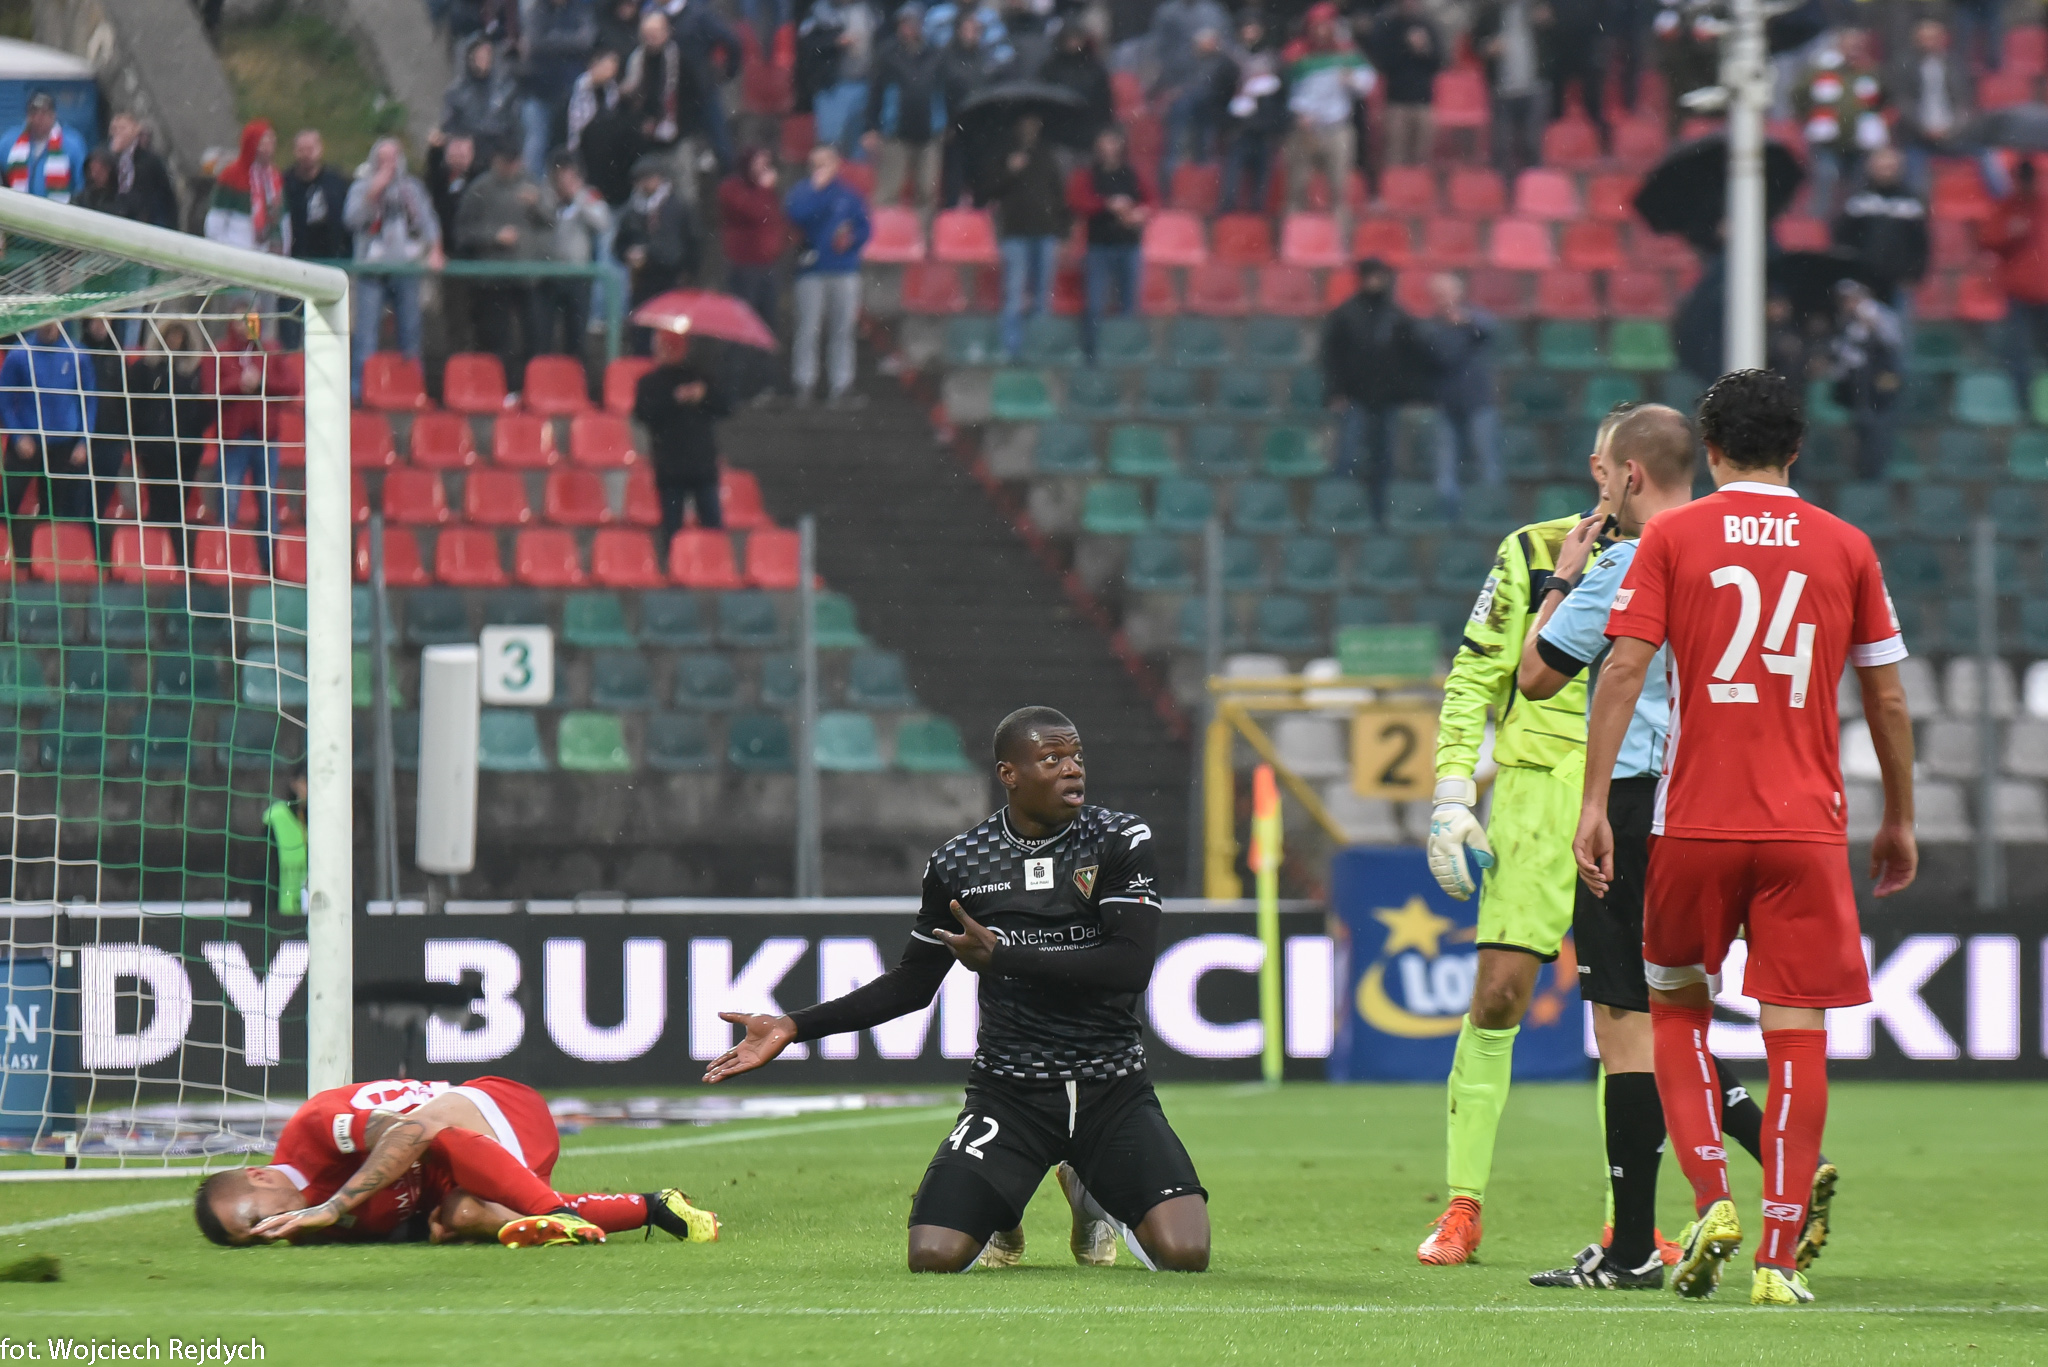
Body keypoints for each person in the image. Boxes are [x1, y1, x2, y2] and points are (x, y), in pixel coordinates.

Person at [1574, 368, 1916, 1306]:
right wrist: (1899, 814)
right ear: (1796, 449)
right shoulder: (1847, 545)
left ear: (1713, 450)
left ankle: (1711, 1201)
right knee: (1797, 1033)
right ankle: (1777, 1256)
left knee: (1676, 1010)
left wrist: (1595, 802)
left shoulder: (1673, 535)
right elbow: (1887, 696)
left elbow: (1623, 669)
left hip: (1694, 817)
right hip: (1805, 827)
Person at [705, 707, 1210, 1275]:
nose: (1073, 769)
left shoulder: (1118, 838)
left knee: (1185, 1255)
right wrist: (795, 1025)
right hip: (1011, 1095)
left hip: (1113, 1090)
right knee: (932, 1257)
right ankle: (1001, 1206)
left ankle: (1088, 1188)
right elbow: (912, 984)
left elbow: (1130, 965)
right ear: (1009, 774)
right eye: (1052, 759)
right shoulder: (960, 862)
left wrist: (1005, 957)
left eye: (1076, 757)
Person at [1517, 405, 1839, 1289]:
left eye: (1601, 473)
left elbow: (1538, 674)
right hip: (1721, 799)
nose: (1596, 490)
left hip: (1633, 802)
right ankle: (1780, 1161)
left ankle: (1634, 1245)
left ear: (1628, 475)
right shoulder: (1733, 549)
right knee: (1678, 1010)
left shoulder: (1633, 557)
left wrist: (1558, 578)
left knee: (1629, 1023)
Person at [1415, 407, 1625, 1267]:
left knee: (1628, 1015)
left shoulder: (1690, 552)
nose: (1619, 476)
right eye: (1610, 462)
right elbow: (1476, 673)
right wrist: (1452, 791)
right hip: (1537, 793)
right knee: (1499, 994)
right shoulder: (1533, 549)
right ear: (1599, 469)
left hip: (1639, 790)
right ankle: (1463, 1205)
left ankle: (1629, 1221)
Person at [194, 1074, 718, 1247]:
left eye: (255, 1219)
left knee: (427, 1130)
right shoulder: (310, 1229)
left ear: (258, 1175)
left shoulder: (312, 1133)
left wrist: (335, 1206)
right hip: (485, 1173)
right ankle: (655, 1207)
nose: (268, 1232)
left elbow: (412, 1133)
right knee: (463, 1214)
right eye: (254, 1239)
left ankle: (555, 1213)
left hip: (496, 1110)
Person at [1320, 258, 1435, 525]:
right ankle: (1341, 513)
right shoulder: (1346, 314)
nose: (1374, 282)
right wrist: (1336, 391)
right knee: (1347, 458)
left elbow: (1413, 358)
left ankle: (1380, 514)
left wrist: (1412, 394)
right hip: (1355, 397)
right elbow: (1332, 357)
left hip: (1388, 399)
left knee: (1385, 461)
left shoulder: (1397, 316)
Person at [456, 139, 559, 398]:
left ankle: (532, 391)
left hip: (528, 277)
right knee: (497, 339)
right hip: (494, 278)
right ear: (496, 161)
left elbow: (551, 222)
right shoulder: (480, 189)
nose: (513, 167)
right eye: (507, 161)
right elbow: (462, 232)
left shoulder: (533, 184)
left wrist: (537, 204)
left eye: (516, 161)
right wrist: (494, 236)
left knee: (536, 336)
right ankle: (500, 391)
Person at [345, 138, 446, 403]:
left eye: (393, 158)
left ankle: (412, 391)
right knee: (366, 336)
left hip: (406, 269)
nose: (389, 164)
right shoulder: (361, 186)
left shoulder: (413, 188)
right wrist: (374, 191)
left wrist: (435, 250)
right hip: (371, 270)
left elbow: (428, 221)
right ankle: (359, 393)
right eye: (383, 159)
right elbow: (352, 219)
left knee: (411, 335)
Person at [205, 317, 300, 573]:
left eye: (251, 319)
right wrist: (239, 384)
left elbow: (292, 386)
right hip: (233, 441)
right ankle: (226, 564)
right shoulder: (221, 351)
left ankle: (270, 568)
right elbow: (209, 390)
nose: (245, 326)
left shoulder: (270, 350)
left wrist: (262, 382)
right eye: (240, 319)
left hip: (266, 439)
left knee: (268, 505)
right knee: (229, 505)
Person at [0, 322, 97, 559]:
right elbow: (4, 400)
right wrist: (18, 435)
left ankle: (43, 561)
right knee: (7, 503)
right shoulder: (19, 354)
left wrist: (83, 441)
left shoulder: (77, 354)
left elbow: (90, 400)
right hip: (27, 444)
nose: (50, 326)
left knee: (54, 509)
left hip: (63, 445)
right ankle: (6, 557)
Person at [785, 143, 870, 407]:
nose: (819, 168)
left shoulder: (849, 195)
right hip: (811, 270)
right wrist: (817, 192)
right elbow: (796, 215)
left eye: (825, 163)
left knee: (842, 329)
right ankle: (804, 382)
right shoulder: (802, 192)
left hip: (843, 269)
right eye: (815, 163)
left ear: (836, 165)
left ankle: (841, 384)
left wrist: (852, 239)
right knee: (807, 328)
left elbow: (865, 228)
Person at [634, 329, 731, 547]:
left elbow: (725, 406)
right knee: (673, 530)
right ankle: (674, 563)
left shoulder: (701, 380)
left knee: (713, 529)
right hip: (671, 467)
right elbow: (643, 413)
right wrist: (675, 398)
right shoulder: (651, 383)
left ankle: (713, 562)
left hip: (701, 466)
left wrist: (704, 395)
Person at [1283, 4, 1374, 227]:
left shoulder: (1347, 54)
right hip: (1306, 128)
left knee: (1339, 188)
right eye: (1316, 27)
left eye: (1325, 26)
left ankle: (1339, 237)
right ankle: (1295, 234)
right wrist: (1299, 112)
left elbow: (1367, 83)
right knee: (1297, 185)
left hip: (1337, 128)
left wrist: (1352, 79)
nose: (1321, 32)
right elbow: (1288, 90)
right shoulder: (1298, 54)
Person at [1422, 273, 1500, 523]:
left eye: (1449, 292)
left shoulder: (1476, 320)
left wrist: (1466, 323)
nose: (1445, 298)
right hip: (1446, 402)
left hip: (1478, 400)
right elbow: (1442, 355)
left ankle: (1490, 515)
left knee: (1486, 460)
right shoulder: (1431, 327)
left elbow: (1490, 329)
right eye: (1440, 293)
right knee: (1445, 466)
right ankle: (1448, 520)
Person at [125, 319, 212, 544]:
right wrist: (141, 440)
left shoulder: (196, 370)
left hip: (187, 450)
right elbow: (133, 406)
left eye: (179, 335)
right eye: (171, 334)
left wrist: (194, 430)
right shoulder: (144, 369)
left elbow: (207, 407)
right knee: (158, 503)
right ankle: (156, 550)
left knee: (177, 507)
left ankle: (175, 551)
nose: (175, 340)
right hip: (154, 449)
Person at [1068, 128, 1150, 362]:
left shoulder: (1132, 174)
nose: (1108, 148)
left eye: (1112, 142)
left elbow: (1151, 201)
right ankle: (1091, 354)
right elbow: (1077, 201)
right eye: (1104, 143)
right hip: (1099, 246)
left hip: (1129, 245)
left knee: (1129, 304)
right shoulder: (1089, 174)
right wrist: (1107, 204)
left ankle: (1124, 354)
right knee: (1095, 304)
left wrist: (1139, 213)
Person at [992, 114, 1067, 362]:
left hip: (1045, 233)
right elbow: (991, 189)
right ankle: (1011, 351)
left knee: (1043, 297)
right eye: (1025, 125)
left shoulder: (1048, 156)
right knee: (1014, 294)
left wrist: (1062, 232)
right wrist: (1009, 171)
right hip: (1015, 233)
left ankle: (1038, 349)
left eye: (1033, 125)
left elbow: (1059, 195)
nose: (1029, 129)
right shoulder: (1005, 154)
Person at [863, 2, 945, 214]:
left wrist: (946, 124)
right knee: (888, 191)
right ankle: (885, 232)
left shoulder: (936, 54)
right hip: (895, 133)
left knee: (927, 192)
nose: (908, 28)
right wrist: (871, 126)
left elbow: (945, 92)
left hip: (929, 133)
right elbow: (875, 92)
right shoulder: (887, 54)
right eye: (904, 23)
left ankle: (923, 234)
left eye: (912, 23)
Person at [718, 146, 787, 401]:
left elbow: (775, 220)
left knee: (767, 326)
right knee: (739, 326)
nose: (763, 168)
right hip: (743, 267)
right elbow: (754, 212)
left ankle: (765, 385)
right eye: (759, 162)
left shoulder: (767, 191)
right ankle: (734, 386)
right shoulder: (731, 188)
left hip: (767, 266)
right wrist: (765, 190)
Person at [1793, 29, 1883, 220]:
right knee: (1825, 178)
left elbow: (1882, 98)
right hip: (1827, 140)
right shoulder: (1821, 70)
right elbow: (1799, 95)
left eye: (1858, 45)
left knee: (1858, 184)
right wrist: (1810, 117)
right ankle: (1819, 221)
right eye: (1850, 45)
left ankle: (1853, 222)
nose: (1854, 49)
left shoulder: (1869, 71)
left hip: (1858, 141)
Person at [1981, 157, 2048, 408]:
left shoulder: (2042, 205)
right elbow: (1987, 239)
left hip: (2043, 291)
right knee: (2019, 353)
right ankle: (2024, 405)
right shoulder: (2009, 207)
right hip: (2019, 293)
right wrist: (2010, 232)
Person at [616, 153, 701, 350]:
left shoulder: (678, 207)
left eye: (649, 178)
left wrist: (689, 271)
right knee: (642, 334)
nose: (646, 184)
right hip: (642, 281)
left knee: (669, 334)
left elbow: (693, 241)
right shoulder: (632, 211)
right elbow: (619, 245)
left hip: (671, 278)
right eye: (641, 179)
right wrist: (627, 254)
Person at [1832, 145, 1929, 310]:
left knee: (1898, 324)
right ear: (1870, 167)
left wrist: (1913, 275)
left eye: (1890, 166)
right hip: (1863, 282)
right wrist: (1850, 277)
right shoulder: (1858, 201)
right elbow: (1843, 240)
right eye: (1882, 166)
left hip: (1899, 283)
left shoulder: (1911, 203)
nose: (1886, 171)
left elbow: (1920, 244)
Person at [1886, 19, 1974, 196]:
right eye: (1924, 39)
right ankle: (1919, 204)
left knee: (1988, 155)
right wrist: (1924, 128)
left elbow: (1963, 103)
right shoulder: (1905, 65)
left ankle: (2008, 202)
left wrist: (1952, 129)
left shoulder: (1954, 65)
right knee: (1915, 183)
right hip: (1916, 135)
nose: (1929, 43)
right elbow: (1902, 103)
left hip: (1952, 133)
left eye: (1933, 38)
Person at [1829, 279, 1904, 480]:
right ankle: (1862, 472)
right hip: (1858, 388)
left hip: (1881, 382)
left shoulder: (1882, 316)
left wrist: (1873, 327)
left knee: (1880, 427)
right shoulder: (1845, 322)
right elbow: (1843, 355)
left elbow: (1893, 344)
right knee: (1862, 428)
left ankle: (1875, 473)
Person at [542, 154, 614, 357]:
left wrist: (579, 198)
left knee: (576, 335)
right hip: (549, 274)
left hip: (578, 275)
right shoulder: (546, 198)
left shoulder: (589, 196)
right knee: (544, 335)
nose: (564, 182)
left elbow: (603, 223)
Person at [518, 0, 598, 180]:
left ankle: (568, 187)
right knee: (536, 143)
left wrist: (552, 39)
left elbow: (586, 40)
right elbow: (535, 41)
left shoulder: (580, 9)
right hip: (539, 91)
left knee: (569, 145)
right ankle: (532, 186)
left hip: (571, 93)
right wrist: (568, 42)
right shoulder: (537, 11)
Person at [1155, 27, 1234, 198]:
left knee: (1204, 132)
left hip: (1208, 110)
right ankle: (1170, 180)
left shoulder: (1223, 63)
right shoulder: (1183, 60)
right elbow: (1168, 83)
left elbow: (1224, 88)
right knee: (1182, 115)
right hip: (1183, 109)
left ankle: (1202, 170)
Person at [1221, 12, 1287, 214]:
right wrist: (1227, 124)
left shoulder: (1273, 60)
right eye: (1247, 27)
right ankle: (1228, 219)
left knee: (1261, 188)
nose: (1250, 32)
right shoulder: (1229, 61)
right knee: (1231, 185)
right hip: (1239, 130)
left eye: (1254, 27)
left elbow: (1281, 98)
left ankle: (1257, 222)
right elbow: (1220, 95)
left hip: (1264, 131)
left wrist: (1275, 126)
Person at [1369, 0, 1443, 168]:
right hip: (1396, 101)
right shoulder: (1389, 27)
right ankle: (1395, 184)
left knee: (1422, 157)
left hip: (1424, 101)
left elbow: (1439, 62)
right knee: (1395, 155)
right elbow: (1383, 62)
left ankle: (1419, 185)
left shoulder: (1429, 26)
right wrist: (1405, 46)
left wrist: (1424, 49)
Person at [802, 0, 881, 155]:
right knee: (831, 142)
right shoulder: (820, 11)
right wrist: (834, 42)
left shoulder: (869, 9)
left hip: (865, 83)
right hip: (832, 86)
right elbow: (807, 44)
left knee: (859, 143)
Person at [937, 14, 1000, 208]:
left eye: (976, 30)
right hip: (956, 127)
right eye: (968, 30)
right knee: (954, 177)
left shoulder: (986, 58)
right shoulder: (946, 58)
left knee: (982, 176)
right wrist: (947, 123)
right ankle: (950, 215)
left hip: (981, 126)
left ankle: (979, 214)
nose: (972, 35)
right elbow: (941, 93)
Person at [205, 120, 289, 257]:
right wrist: (222, 251)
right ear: (253, 144)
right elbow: (216, 220)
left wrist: (284, 250)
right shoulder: (231, 175)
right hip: (235, 250)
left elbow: (283, 219)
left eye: (272, 141)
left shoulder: (274, 178)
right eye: (265, 142)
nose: (271, 146)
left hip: (265, 252)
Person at [1542, 0, 1610, 150]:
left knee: (1593, 102)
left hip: (1587, 47)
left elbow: (1603, 16)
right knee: (1555, 106)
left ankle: (1601, 142)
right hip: (1559, 49)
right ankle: (1552, 144)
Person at [0, 91, 87, 203]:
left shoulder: (72, 144)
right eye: (33, 113)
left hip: (58, 210)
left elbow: (81, 184)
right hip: (18, 209)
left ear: (53, 115)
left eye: (44, 114)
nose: (38, 119)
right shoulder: (9, 141)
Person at [285, 129, 354, 261]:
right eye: (301, 150)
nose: (306, 155)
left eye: (310, 149)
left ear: (320, 149)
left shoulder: (336, 181)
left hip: (332, 254)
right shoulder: (287, 182)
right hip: (298, 254)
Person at [1040, 25, 1113, 148]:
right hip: (1057, 133)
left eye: (1076, 39)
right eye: (1069, 39)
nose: (1073, 43)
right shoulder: (1050, 68)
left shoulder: (1094, 68)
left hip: (1088, 132)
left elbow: (1103, 102)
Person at [442, 34, 520, 145]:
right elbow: (448, 128)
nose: (484, 61)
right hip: (468, 146)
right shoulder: (455, 93)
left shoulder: (504, 89)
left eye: (487, 55)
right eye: (479, 56)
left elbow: (511, 124)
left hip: (498, 146)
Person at [106, 112, 179, 228]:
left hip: (147, 222)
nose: (118, 132)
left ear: (136, 129)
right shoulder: (108, 158)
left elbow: (160, 198)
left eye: (123, 128)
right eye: (114, 129)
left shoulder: (148, 160)